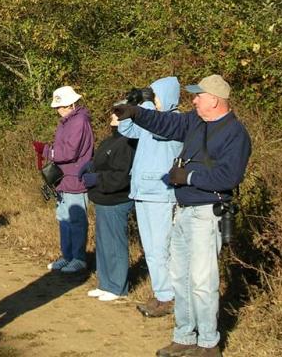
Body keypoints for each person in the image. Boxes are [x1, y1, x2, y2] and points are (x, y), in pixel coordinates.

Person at [113, 75, 252, 357]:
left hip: (206, 214)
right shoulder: (194, 122)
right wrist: (136, 112)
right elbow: (165, 123)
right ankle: (184, 337)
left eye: (199, 95)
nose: (194, 99)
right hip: (184, 211)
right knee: (181, 280)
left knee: (202, 282)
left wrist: (188, 176)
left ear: (214, 99)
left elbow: (229, 176)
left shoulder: (235, 133)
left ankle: (208, 343)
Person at [117, 76, 183, 317]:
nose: (151, 101)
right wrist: (131, 99)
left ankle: (170, 295)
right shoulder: (150, 118)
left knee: (161, 247)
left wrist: (144, 107)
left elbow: (160, 130)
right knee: (152, 249)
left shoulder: (174, 120)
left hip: (160, 193)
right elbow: (123, 125)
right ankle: (162, 293)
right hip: (143, 191)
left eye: (154, 96)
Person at [36, 85, 94, 274]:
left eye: (60, 106)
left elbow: (69, 151)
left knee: (76, 220)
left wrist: (47, 150)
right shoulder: (66, 121)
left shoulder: (79, 122)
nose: (58, 110)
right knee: (63, 218)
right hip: (63, 179)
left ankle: (78, 258)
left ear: (71, 104)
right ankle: (68, 256)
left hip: (75, 179)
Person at [81, 107, 138, 302]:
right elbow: (102, 163)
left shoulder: (127, 143)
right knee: (104, 243)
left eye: (118, 113)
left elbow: (121, 177)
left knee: (115, 243)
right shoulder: (110, 140)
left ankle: (118, 287)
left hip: (116, 199)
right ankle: (105, 283)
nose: (112, 116)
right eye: (114, 113)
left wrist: (97, 178)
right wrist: (91, 166)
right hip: (102, 198)